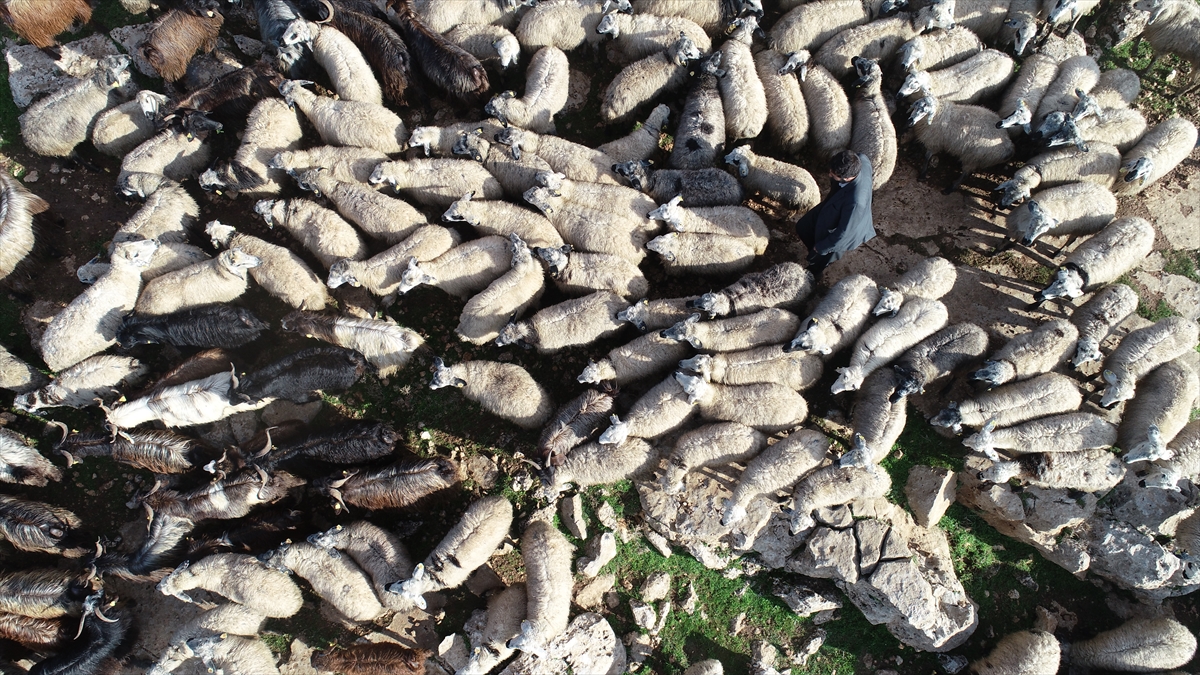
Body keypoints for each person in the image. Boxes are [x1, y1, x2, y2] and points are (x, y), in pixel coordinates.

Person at [794, 150, 875, 278]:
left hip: (841, 228)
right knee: (803, 227)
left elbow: (843, 233)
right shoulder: (861, 159)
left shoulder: (855, 202)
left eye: (833, 174)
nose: (829, 174)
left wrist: (821, 247)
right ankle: (814, 249)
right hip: (832, 206)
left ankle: (814, 274)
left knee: (820, 258)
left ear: (847, 178)